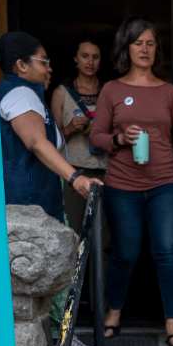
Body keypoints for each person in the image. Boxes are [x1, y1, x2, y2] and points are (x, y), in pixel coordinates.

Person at [88, 18, 173, 346]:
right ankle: (113, 312)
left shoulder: (169, 93)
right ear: (126, 48)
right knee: (125, 252)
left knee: (166, 252)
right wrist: (120, 138)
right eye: (138, 43)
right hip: (122, 184)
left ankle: (171, 321)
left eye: (150, 43)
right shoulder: (112, 90)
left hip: (165, 183)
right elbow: (96, 136)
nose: (145, 49)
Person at [0, 31, 99, 346]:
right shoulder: (21, 95)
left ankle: (60, 336)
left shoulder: (28, 94)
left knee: (57, 269)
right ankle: (61, 338)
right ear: (20, 65)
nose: (49, 67)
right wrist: (75, 177)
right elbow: (36, 143)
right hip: (31, 200)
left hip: (38, 197)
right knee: (54, 271)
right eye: (43, 61)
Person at [51, 36, 108, 231]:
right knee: (75, 232)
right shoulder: (62, 92)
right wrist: (71, 128)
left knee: (107, 235)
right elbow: (53, 141)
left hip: (107, 170)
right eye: (85, 56)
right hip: (74, 172)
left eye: (95, 57)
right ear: (75, 59)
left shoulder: (110, 91)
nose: (90, 62)